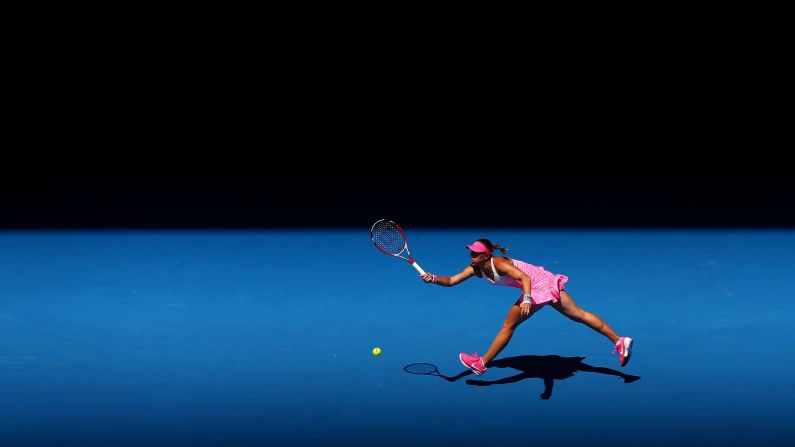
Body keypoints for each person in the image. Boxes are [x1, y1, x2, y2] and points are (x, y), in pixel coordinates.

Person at [421, 239, 633, 376]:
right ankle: (619, 340)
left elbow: (523, 277)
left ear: (487, 255)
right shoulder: (474, 268)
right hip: (546, 279)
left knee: (508, 326)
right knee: (579, 315)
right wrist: (434, 278)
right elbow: (451, 280)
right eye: (471, 252)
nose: (471, 256)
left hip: (536, 285)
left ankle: (482, 363)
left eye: (476, 253)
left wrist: (527, 299)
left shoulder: (500, 264)